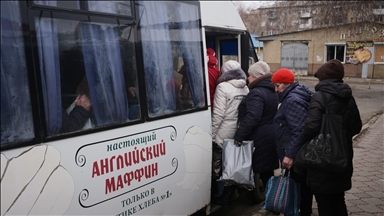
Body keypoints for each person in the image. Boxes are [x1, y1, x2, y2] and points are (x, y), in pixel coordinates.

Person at [300, 59, 362, 216]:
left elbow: (311, 127)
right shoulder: (349, 97)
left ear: (323, 78)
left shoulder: (320, 96)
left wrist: (301, 142)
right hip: (343, 155)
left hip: (322, 156)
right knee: (338, 198)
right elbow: (357, 126)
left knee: (324, 201)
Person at [233, 61, 279, 204]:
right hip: (270, 134)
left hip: (259, 136)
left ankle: (264, 201)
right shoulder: (272, 90)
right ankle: (272, 200)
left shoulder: (256, 93)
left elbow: (253, 117)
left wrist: (239, 135)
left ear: (257, 77)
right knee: (267, 171)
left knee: (257, 169)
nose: (248, 78)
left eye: (250, 76)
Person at [271, 68, 314, 216]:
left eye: (277, 86)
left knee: (300, 187)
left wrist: (289, 155)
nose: (276, 90)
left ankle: (301, 212)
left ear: (286, 84)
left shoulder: (292, 100)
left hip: (296, 153)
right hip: (299, 151)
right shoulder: (297, 94)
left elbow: (298, 130)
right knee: (303, 187)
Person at [211, 60, 249, 205]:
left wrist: (212, 134)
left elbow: (219, 114)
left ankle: (221, 195)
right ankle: (231, 192)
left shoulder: (222, 87)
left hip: (223, 132)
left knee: (219, 166)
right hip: (238, 132)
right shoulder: (245, 87)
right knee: (232, 163)